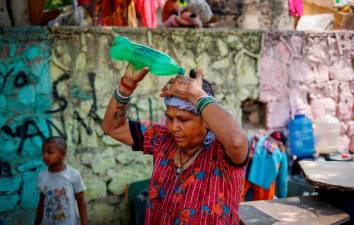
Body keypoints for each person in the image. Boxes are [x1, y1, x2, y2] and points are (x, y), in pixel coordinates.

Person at [102, 64, 249, 224]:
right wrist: (127, 85)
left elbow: (237, 142)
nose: (173, 127)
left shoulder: (222, 153)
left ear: (207, 121)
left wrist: (196, 95)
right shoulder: (162, 138)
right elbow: (113, 127)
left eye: (183, 120)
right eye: (170, 118)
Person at [34, 137, 88, 225]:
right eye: (43, 153)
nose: (45, 156)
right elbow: (42, 202)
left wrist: (85, 223)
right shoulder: (42, 175)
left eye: (50, 152)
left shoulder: (73, 175)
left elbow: (81, 201)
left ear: (63, 154)